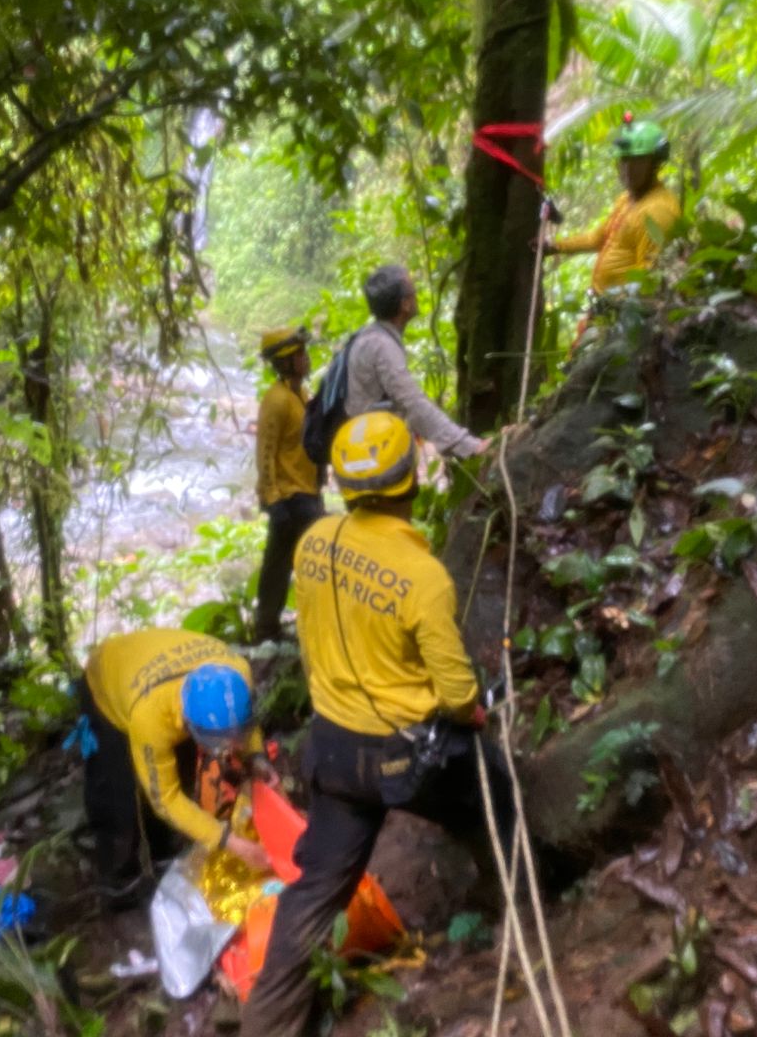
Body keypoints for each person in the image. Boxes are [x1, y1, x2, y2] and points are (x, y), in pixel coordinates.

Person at [240, 411, 515, 1037]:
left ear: (344, 486)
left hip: (332, 754)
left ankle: (268, 1023)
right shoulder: (422, 578)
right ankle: (519, 914)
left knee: (313, 896)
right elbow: (454, 697)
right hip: (406, 761)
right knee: (496, 801)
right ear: (411, 479)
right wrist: (476, 710)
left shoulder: (315, 544)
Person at [76, 628, 272, 908]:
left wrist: (256, 756)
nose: (229, 749)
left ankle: (162, 855)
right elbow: (165, 799)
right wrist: (229, 842)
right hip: (109, 681)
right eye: (219, 743)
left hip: (157, 667)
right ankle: (119, 885)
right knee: (117, 795)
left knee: (179, 774)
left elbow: (244, 724)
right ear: (188, 722)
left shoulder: (237, 674)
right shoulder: (150, 717)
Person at [347, 265, 490, 458]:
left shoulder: (371, 338)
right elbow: (412, 403)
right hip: (375, 458)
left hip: (367, 448)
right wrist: (468, 445)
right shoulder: (381, 346)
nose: (416, 295)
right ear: (405, 304)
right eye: (414, 291)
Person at [545, 115, 680, 296]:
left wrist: (614, 311)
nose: (628, 170)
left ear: (655, 165)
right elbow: (598, 238)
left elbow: (649, 280)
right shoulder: (627, 199)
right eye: (624, 161)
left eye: (638, 162)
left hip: (621, 314)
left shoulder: (657, 212)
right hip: (604, 308)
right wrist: (554, 246)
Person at [254, 325, 324, 642]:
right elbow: (265, 452)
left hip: (307, 490)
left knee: (290, 561)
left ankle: (273, 625)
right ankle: (267, 627)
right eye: (300, 355)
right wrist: (273, 499)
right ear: (286, 362)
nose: (306, 359)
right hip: (289, 497)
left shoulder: (301, 395)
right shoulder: (277, 400)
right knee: (282, 565)